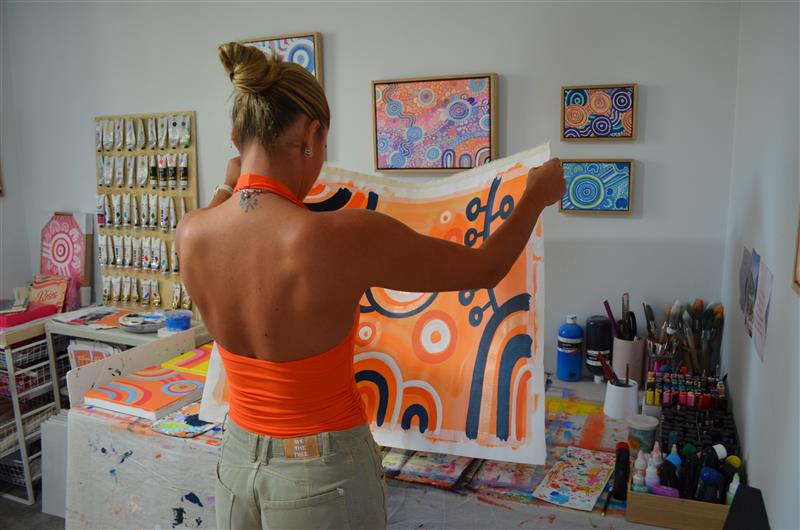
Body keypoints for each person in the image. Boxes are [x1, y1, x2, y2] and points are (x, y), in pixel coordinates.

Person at [176, 41, 565, 530]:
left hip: (235, 465)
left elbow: (231, 204)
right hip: (319, 472)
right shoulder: (342, 236)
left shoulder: (192, 232)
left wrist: (232, 186)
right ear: (311, 135)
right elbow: (485, 268)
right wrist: (535, 197)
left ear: (236, 138)